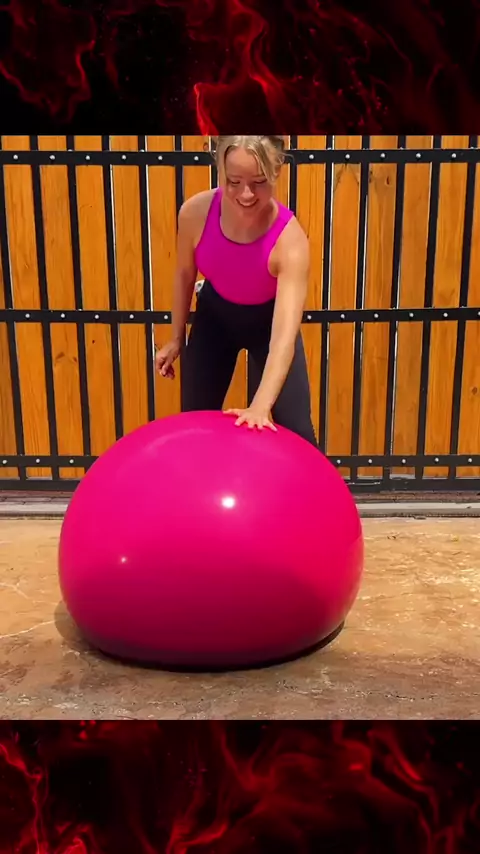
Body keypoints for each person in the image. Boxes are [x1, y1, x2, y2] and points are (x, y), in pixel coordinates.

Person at [154, 135, 317, 446]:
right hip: (215, 319)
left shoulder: (291, 242)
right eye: (234, 181)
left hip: (268, 327)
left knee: (299, 434)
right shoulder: (194, 214)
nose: (246, 193)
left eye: (258, 182)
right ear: (220, 171)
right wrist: (175, 338)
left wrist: (260, 406)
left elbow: (283, 338)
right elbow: (185, 273)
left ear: (276, 171)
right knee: (194, 425)